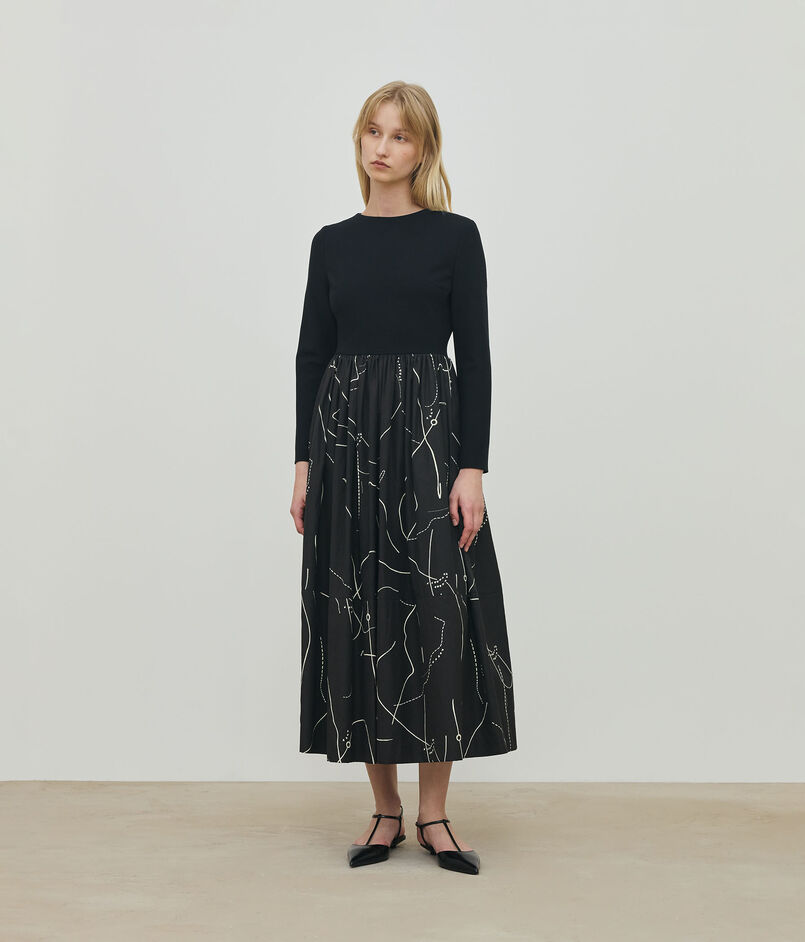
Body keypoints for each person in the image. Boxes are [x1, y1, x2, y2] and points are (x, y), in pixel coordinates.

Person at [289, 81, 517, 875]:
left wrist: (471, 466)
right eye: (372, 132)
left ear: (423, 150)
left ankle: (434, 815)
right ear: (358, 141)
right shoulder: (331, 243)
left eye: (400, 136)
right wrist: (303, 462)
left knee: (436, 612)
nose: (382, 148)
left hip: (427, 437)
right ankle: (384, 810)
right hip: (345, 439)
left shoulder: (454, 237)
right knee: (358, 610)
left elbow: (475, 359)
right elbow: (312, 354)